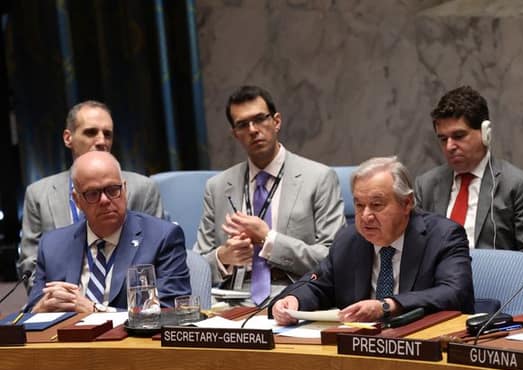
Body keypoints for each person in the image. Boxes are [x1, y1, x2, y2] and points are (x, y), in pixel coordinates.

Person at [271, 157, 474, 325]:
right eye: (359, 205)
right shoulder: (349, 240)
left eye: (377, 205)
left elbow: (455, 293)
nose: (366, 216)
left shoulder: (443, 236)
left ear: (407, 203)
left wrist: (388, 306)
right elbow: (317, 284)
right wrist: (293, 300)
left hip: (422, 343)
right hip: (360, 346)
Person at [194, 85, 345, 305]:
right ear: (235, 134)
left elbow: (334, 259)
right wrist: (222, 257)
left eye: (259, 119)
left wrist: (269, 239)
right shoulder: (217, 187)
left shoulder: (319, 178)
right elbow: (195, 265)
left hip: (296, 295)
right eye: (242, 124)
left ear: (276, 121)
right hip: (231, 301)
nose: (253, 130)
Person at [18, 100, 164, 289]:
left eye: (107, 134)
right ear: (68, 138)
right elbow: (30, 263)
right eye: (91, 132)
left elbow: (158, 254)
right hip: (61, 298)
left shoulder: (143, 188)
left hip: (124, 297)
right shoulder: (38, 194)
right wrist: (54, 297)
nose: (102, 141)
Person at [26, 151, 190, 313]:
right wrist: (40, 309)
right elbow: (30, 313)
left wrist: (94, 310)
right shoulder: (52, 245)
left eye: (112, 190)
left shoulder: (162, 237)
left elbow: (172, 312)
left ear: (124, 189)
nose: (104, 200)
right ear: (77, 201)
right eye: (93, 194)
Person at [414, 86, 523, 259]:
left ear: (486, 134)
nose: (449, 146)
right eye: (443, 139)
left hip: (495, 276)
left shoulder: (517, 185)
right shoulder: (426, 185)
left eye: (459, 136)